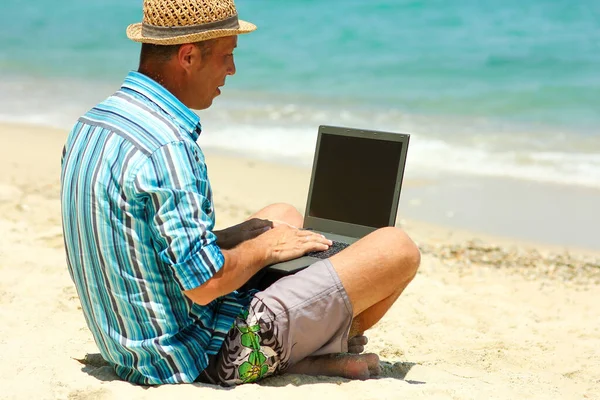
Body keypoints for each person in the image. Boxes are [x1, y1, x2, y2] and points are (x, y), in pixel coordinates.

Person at [60, 0, 421, 386]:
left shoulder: (97, 122)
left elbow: (137, 241)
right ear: (188, 56)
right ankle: (308, 352)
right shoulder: (169, 147)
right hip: (194, 355)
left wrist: (241, 237)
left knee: (281, 216)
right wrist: (265, 250)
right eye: (227, 56)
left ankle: (304, 333)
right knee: (397, 249)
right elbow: (204, 286)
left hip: (131, 344)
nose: (232, 69)